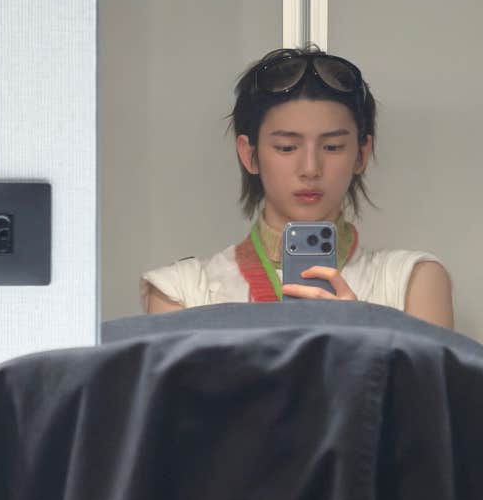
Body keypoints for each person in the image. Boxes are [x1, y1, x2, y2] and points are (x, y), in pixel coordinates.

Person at [141, 46, 454, 328]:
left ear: (361, 154)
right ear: (249, 155)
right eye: (287, 148)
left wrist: (359, 336)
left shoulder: (412, 280)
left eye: (332, 147)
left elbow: (428, 378)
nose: (310, 169)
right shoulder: (181, 290)